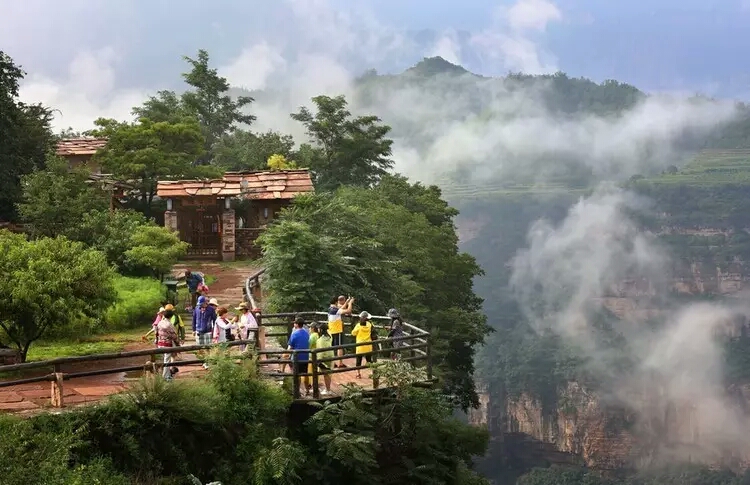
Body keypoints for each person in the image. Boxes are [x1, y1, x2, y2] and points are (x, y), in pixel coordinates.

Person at [287, 315, 311, 396]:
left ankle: (297, 391)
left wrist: (287, 354)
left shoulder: (294, 334)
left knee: (297, 375)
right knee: (305, 373)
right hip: (305, 357)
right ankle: (307, 390)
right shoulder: (307, 333)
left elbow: (290, 346)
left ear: (297, 324)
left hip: (297, 358)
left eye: (295, 322)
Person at [328, 295, 354, 368]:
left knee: (332, 347)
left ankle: (333, 362)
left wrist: (346, 302)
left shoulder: (331, 308)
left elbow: (341, 308)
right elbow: (348, 311)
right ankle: (340, 363)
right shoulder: (335, 310)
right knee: (340, 347)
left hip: (332, 329)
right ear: (336, 302)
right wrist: (350, 303)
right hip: (337, 330)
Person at [156, 312, 181, 380]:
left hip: (160, 343)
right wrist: (178, 344)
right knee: (167, 361)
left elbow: (156, 332)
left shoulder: (160, 323)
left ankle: (165, 374)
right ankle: (165, 376)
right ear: (171, 317)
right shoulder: (170, 325)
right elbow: (174, 336)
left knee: (163, 360)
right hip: (167, 344)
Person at [351, 311, 374, 379]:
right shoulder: (370, 325)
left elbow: (353, 333)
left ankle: (358, 374)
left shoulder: (358, 326)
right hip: (368, 345)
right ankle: (372, 373)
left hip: (360, 346)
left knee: (359, 360)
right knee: (369, 360)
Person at [315, 323, 334, 395]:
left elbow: (320, 351)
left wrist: (318, 361)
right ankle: (327, 389)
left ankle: (328, 390)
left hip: (324, 358)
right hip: (330, 356)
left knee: (326, 374)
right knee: (328, 374)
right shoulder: (329, 337)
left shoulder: (320, 340)